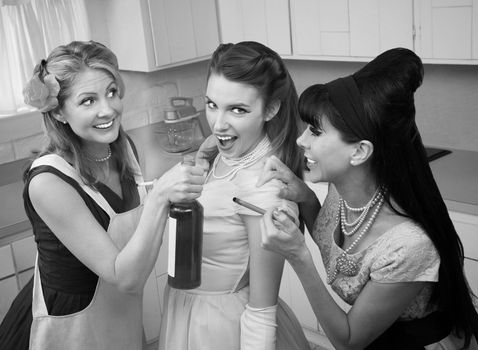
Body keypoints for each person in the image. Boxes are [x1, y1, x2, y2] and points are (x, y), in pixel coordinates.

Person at [257, 47, 478, 349]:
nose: (301, 140)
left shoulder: (408, 245)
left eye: (315, 131)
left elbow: (349, 341)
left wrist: (298, 256)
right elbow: (330, 240)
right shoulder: (342, 192)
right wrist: (305, 196)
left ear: (360, 151)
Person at [0, 40, 206, 350]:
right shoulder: (48, 183)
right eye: (88, 101)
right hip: (67, 326)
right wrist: (161, 196)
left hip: (118, 316)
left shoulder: (122, 150)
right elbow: (124, 277)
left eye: (111, 92)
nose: (107, 109)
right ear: (58, 113)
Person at [158, 41, 311, 350]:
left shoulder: (262, 187)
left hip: (222, 329)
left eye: (238, 109)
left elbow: (262, 307)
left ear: (271, 108)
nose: (218, 123)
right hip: (185, 313)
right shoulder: (219, 153)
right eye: (212, 104)